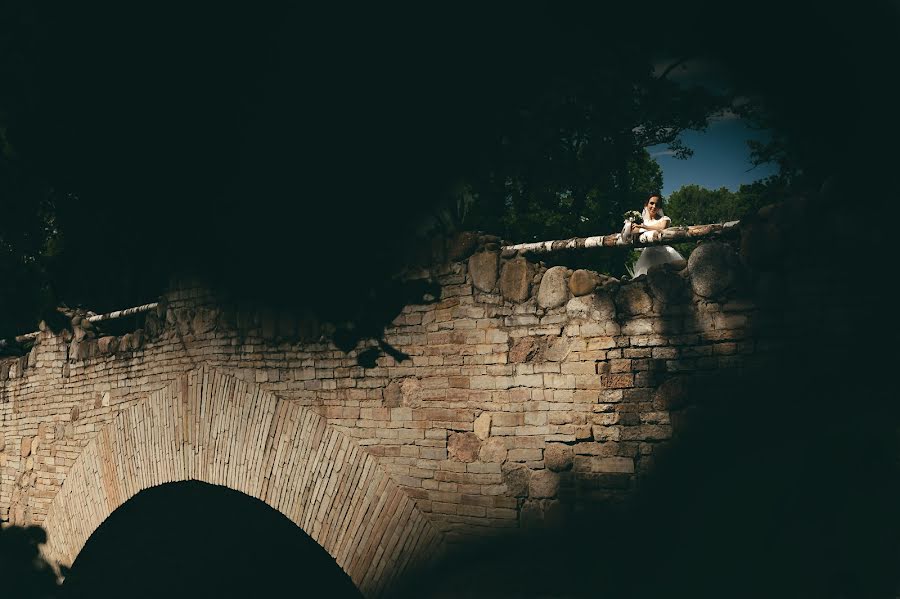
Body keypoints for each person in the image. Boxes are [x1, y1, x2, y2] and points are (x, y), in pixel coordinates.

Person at [628, 193, 685, 277]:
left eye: (657, 204)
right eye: (651, 203)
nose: (654, 206)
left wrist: (643, 226)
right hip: (647, 255)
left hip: (662, 253)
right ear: (646, 204)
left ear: (660, 207)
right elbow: (634, 232)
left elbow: (662, 227)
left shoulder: (665, 219)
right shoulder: (641, 221)